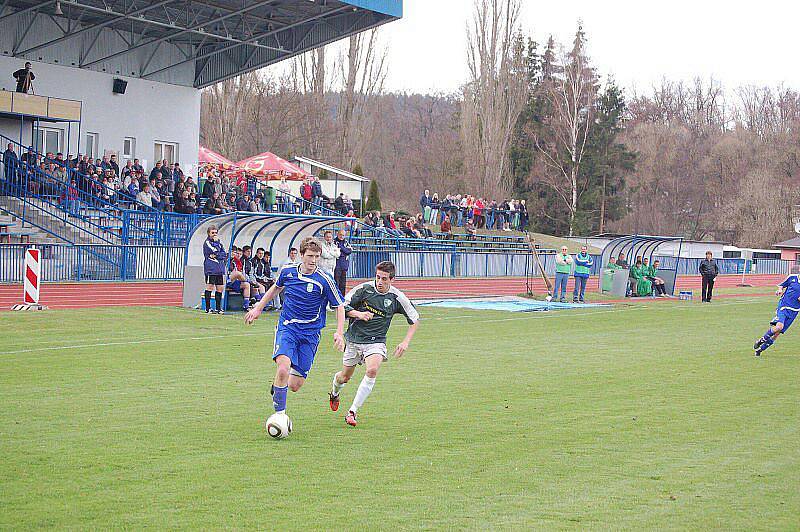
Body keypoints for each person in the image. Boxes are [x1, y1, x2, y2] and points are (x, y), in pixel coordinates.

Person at [244, 238, 346, 425]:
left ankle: (278, 386)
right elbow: (276, 288)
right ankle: (280, 416)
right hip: (288, 327)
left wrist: (339, 333)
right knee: (283, 367)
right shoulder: (288, 272)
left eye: (316, 256)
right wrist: (258, 308)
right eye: (310, 256)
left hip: (310, 334)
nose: (313, 260)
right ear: (301, 255)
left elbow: (339, 306)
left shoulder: (324, 279)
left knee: (294, 385)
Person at [329, 261, 419, 427]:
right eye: (378, 277)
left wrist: (405, 342)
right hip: (354, 339)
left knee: (372, 370)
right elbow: (341, 306)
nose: (380, 281)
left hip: (376, 342)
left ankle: (352, 411)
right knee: (344, 377)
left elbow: (415, 319)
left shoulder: (396, 297)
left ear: (392, 279)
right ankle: (334, 392)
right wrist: (359, 314)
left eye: (384, 278)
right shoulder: (364, 289)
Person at [754, 267, 800, 356]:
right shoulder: (792, 277)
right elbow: (781, 285)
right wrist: (779, 290)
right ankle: (761, 340)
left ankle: (760, 350)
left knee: (777, 334)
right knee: (779, 326)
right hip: (783, 306)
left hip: (794, 311)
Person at [202, 225, 227, 314]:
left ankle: (218, 308)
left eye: (216, 233)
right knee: (210, 287)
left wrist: (217, 255)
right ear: (208, 233)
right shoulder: (207, 243)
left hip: (219, 269)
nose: (214, 234)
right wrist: (217, 252)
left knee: (220, 288)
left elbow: (224, 254)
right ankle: (207, 308)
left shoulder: (219, 243)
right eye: (212, 233)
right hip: (211, 269)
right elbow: (215, 250)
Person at [227, 247, 253, 312]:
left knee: (246, 285)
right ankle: (247, 280)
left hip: (234, 281)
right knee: (238, 274)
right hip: (225, 280)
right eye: (232, 251)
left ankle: (246, 306)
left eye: (235, 252)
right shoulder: (225, 259)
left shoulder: (236, 261)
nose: (234, 253)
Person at [334, 229, 352, 297]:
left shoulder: (346, 242)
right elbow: (336, 253)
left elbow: (349, 251)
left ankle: (342, 298)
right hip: (336, 265)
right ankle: (336, 298)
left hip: (344, 266)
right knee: (336, 283)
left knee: (343, 284)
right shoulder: (334, 242)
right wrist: (344, 251)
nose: (342, 236)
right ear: (337, 234)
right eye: (340, 235)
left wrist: (341, 248)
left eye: (343, 235)